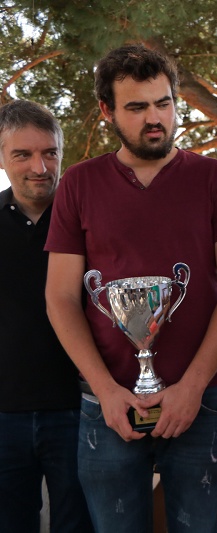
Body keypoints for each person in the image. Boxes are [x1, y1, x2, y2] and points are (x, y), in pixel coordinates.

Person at [44, 44, 217, 533]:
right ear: (108, 111)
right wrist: (105, 391)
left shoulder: (215, 179)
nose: (154, 118)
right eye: (137, 107)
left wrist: (193, 387)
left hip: (204, 399)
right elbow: (60, 297)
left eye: (163, 103)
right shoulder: (79, 184)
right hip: (109, 401)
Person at [0, 100, 93, 532]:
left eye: (50, 153)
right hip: (4, 416)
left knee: (77, 526)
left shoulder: (90, 222)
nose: (40, 166)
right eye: (23, 154)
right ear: (2, 159)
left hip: (78, 411)